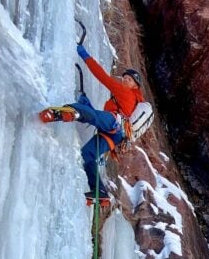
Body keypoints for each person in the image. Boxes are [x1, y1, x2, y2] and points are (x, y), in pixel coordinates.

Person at [40, 44, 145, 200]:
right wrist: (88, 107)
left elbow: (101, 75)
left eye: (128, 79)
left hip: (114, 123)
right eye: (124, 77)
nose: (124, 80)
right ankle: (100, 191)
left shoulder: (127, 93)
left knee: (89, 114)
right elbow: (98, 116)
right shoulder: (129, 99)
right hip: (115, 134)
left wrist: (84, 55)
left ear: (135, 86)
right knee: (87, 154)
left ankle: (66, 112)